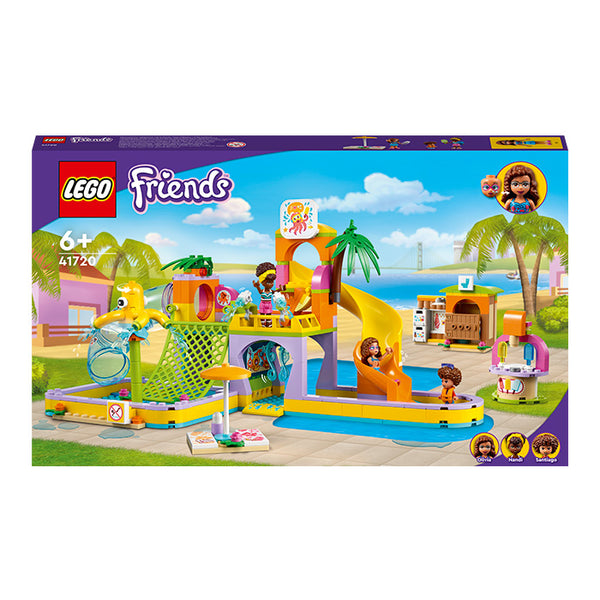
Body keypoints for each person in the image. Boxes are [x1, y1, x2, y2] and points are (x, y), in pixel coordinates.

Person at [253, 262, 284, 327]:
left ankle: (268, 323)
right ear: (262, 283)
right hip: (263, 304)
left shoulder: (270, 291)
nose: (270, 284)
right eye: (268, 282)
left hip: (269, 304)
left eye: (272, 282)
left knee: (269, 314)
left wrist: (280, 289)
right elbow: (260, 291)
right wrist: (257, 286)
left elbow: (275, 291)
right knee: (262, 314)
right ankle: (262, 324)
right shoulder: (263, 291)